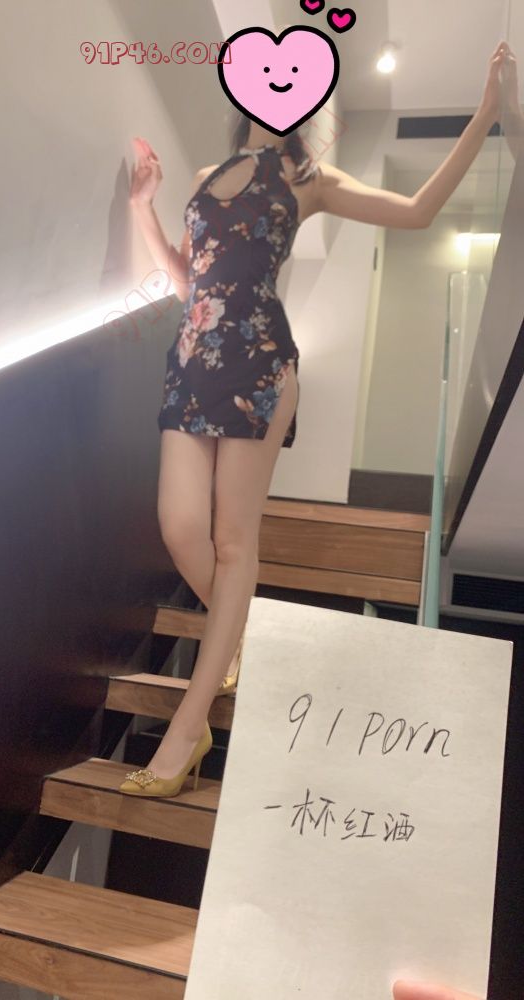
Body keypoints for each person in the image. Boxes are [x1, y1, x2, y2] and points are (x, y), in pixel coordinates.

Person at [120, 41, 518, 798]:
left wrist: (485, 114)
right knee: (179, 526)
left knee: (233, 542)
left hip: (261, 364)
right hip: (193, 361)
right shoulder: (203, 179)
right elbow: (188, 282)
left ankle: (187, 729)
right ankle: (233, 640)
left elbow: (416, 210)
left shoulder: (308, 179)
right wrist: (143, 207)